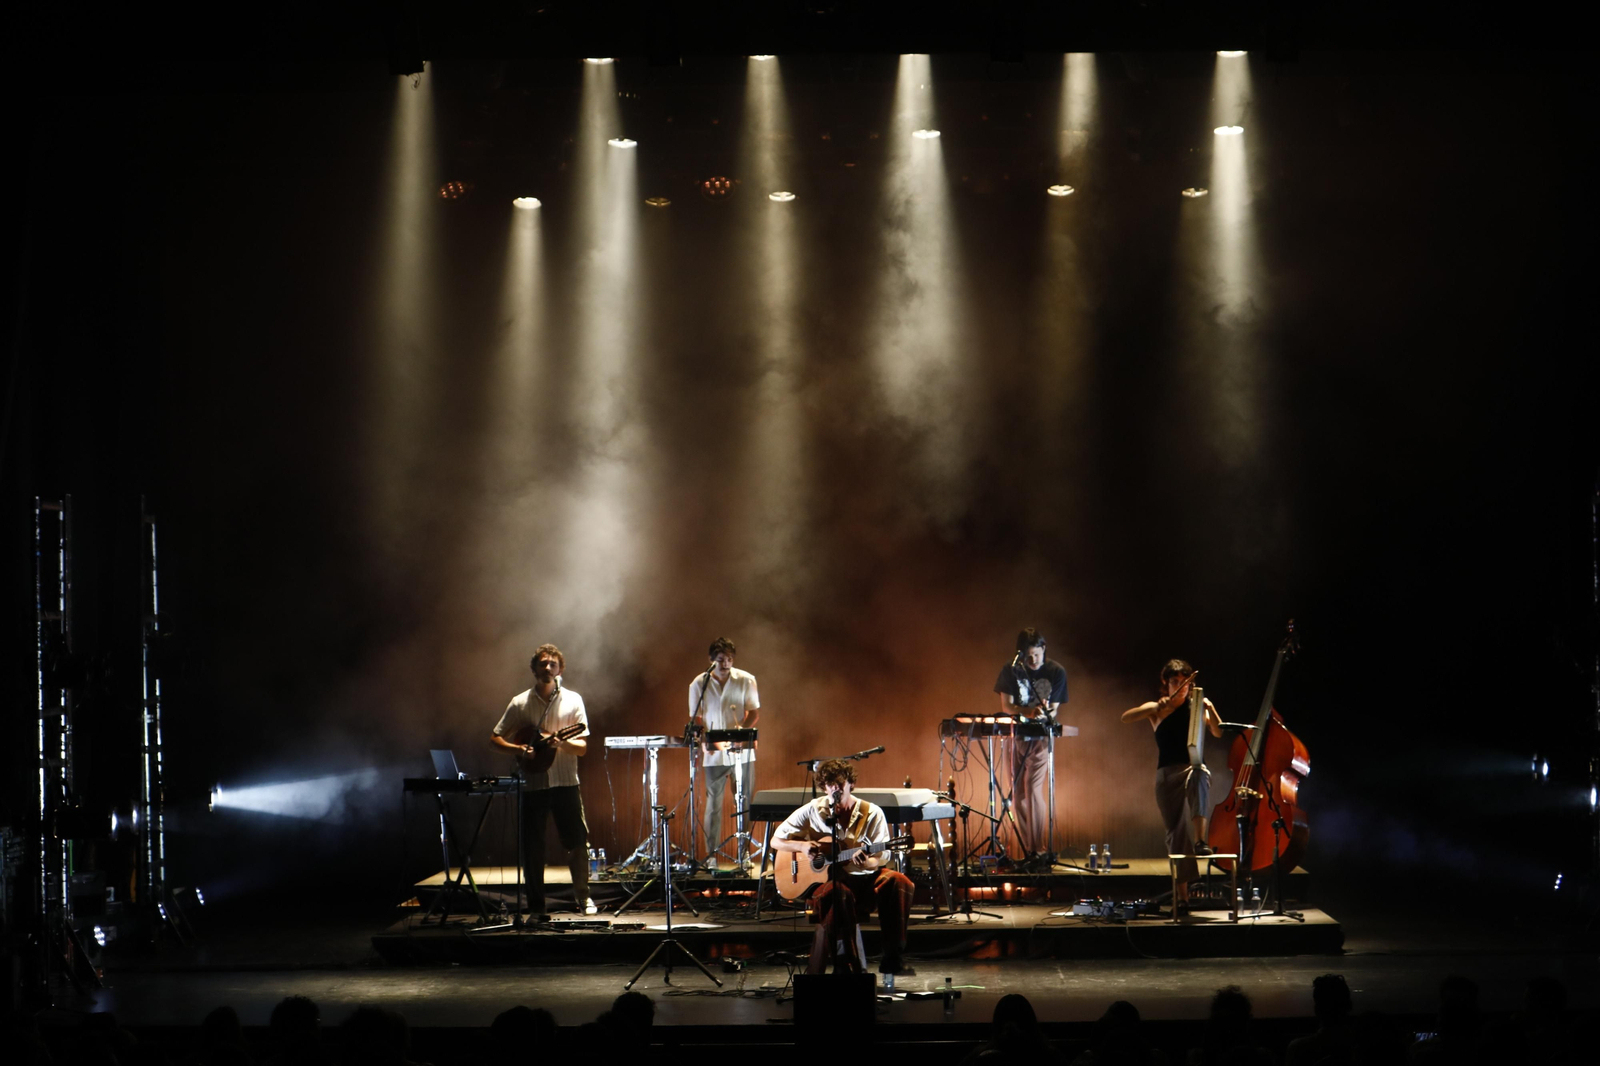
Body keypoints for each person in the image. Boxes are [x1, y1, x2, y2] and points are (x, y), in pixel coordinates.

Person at [770, 759, 915, 975]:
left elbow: (881, 857)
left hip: (863, 881)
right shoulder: (813, 810)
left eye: (840, 783)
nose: (834, 789)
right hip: (826, 885)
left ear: (851, 784)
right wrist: (801, 845)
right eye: (829, 784)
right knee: (838, 892)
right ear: (823, 786)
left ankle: (893, 956)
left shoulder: (872, 813)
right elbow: (776, 841)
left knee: (899, 881)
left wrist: (866, 861)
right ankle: (848, 963)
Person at [491, 643, 594, 918]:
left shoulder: (573, 700)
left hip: (565, 783)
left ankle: (584, 899)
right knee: (533, 848)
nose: (547, 668)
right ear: (534, 668)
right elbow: (495, 737)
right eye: (542, 663)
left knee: (576, 842)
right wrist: (518, 750)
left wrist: (561, 744)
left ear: (561, 669)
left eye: (553, 664)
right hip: (532, 785)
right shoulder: (520, 702)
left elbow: (582, 747)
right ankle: (536, 907)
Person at [993, 627, 1069, 862]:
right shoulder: (1011, 669)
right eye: (1028, 656)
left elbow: (1055, 708)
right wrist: (1027, 711)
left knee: (1033, 788)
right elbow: (1007, 705)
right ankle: (1028, 849)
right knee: (1018, 793)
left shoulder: (1056, 671)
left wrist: (1044, 712)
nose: (1032, 660)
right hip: (1015, 736)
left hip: (1040, 737)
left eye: (1036, 655)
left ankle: (1039, 848)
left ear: (1044, 649)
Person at [688, 637, 760, 867]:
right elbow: (697, 718)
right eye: (721, 660)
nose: (726, 664)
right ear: (711, 661)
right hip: (714, 752)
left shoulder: (746, 680)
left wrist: (743, 734)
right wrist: (711, 741)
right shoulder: (699, 684)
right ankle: (711, 856)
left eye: (729, 659)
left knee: (744, 801)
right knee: (713, 805)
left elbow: (754, 712)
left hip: (742, 753)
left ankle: (744, 854)